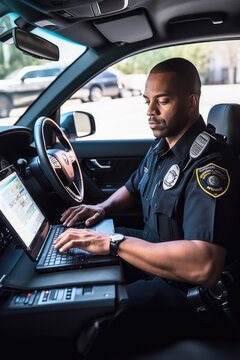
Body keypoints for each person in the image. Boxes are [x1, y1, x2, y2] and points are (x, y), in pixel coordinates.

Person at [54, 58, 240, 358]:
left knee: (95, 321)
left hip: (190, 295)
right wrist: (102, 209)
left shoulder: (210, 165)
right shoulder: (163, 145)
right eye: (147, 101)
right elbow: (133, 185)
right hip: (156, 253)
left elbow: (204, 266)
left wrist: (113, 243)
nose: (150, 112)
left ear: (192, 102)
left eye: (162, 101)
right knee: (81, 257)